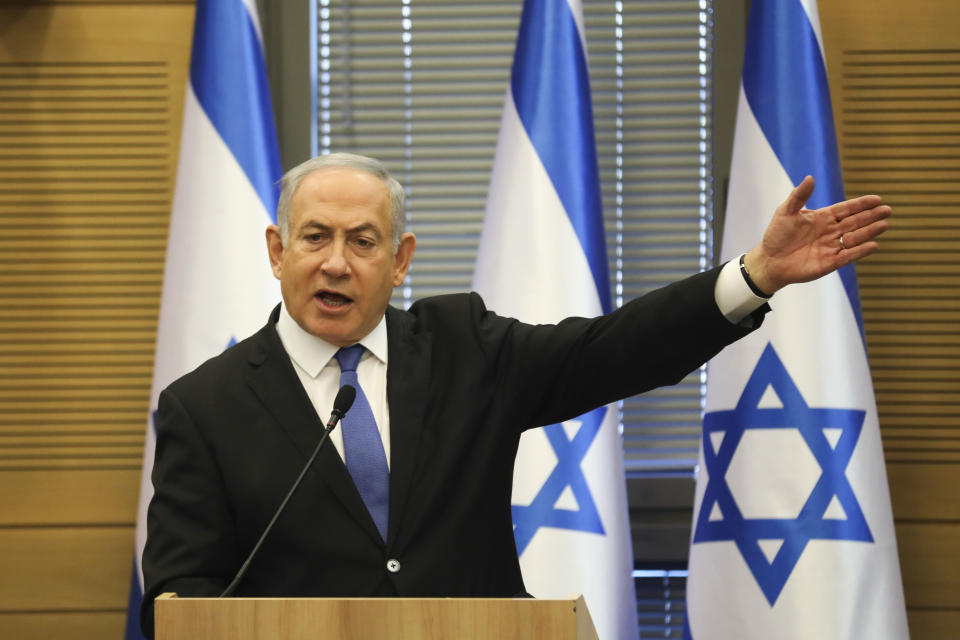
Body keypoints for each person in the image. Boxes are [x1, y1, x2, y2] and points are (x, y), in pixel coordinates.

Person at [140, 152, 889, 637]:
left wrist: (752, 275)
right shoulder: (203, 409)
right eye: (314, 238)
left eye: (362, 242)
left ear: (400, 262)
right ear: (277, 251)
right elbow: (179, 597)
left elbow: (613, 352)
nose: (336, 263)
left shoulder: (464, 347)